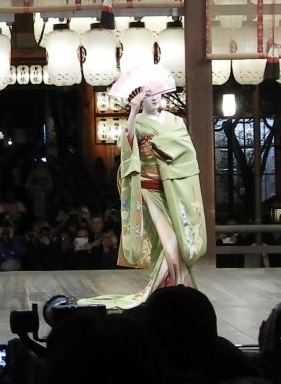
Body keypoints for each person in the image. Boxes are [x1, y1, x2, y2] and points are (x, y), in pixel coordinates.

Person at [79, 87, 207, 309]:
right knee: (167, 240)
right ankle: (172, 289)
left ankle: (165, 289)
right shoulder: (136, 122)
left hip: (173, 187)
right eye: (148, 95)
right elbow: (126, 146)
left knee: (172, 239)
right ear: (140, 99)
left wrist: (165, 149)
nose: (154, 97)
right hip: (148, 189)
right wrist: (133, 111)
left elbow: (187, 150)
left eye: (157, 93)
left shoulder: (176, 121)